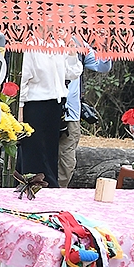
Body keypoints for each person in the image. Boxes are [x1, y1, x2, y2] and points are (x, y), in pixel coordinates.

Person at [18, 47, 83, 190]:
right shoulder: (31, 46)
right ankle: (34, 188)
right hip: (34, 105)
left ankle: (48, 189)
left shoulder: (60, 44)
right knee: (35, 154)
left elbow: (72, 73)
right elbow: (22, 79)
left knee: (50, 154)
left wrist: (72, 55)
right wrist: (20, 110)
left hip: (56, 105)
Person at [58, 39, 112, 187]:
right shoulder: (40, 39)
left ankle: (58, 192)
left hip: (71, 112)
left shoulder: (79, 43)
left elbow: (102, 66)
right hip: (43, 108)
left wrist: (104, 46)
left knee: (67, 162)